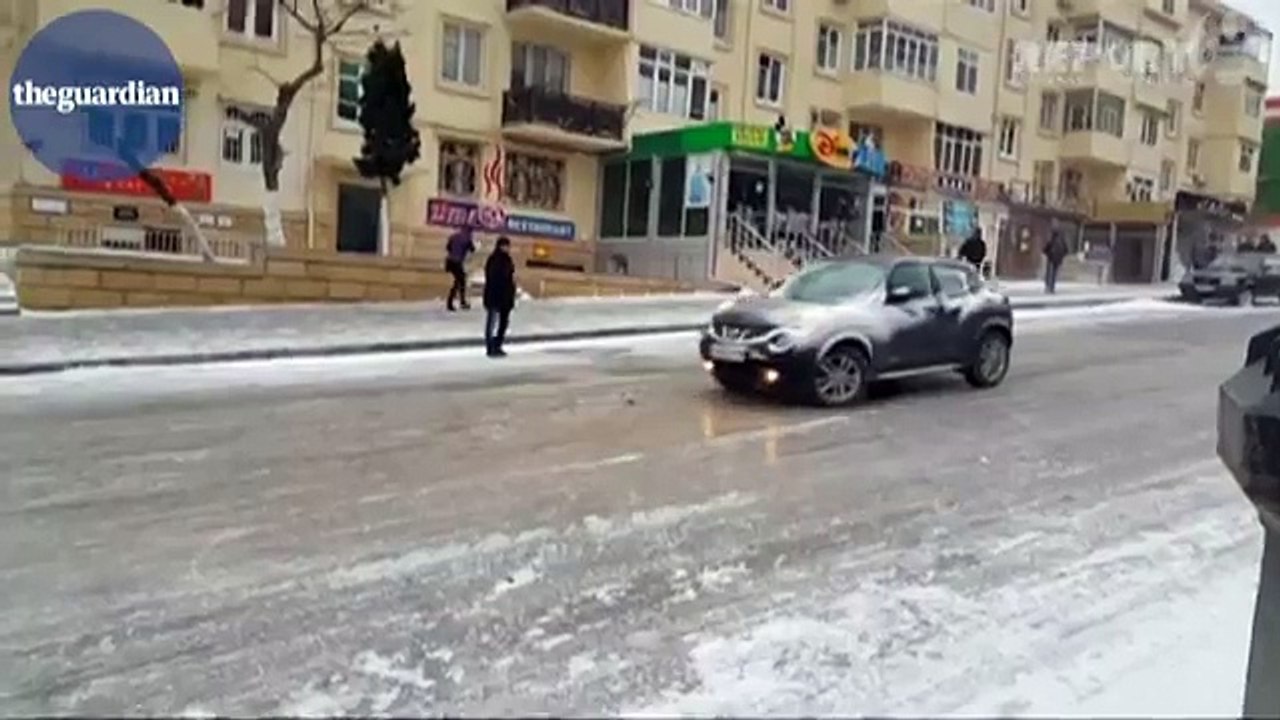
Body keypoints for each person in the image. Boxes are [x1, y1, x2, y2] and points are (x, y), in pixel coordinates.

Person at [483, 236, 517, 358]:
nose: (507, 248)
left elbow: (510, 278)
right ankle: (490, 347)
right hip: (495, 295)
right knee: (492, 322)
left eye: (507, 246)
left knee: (503, 323)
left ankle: (497, 345)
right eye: (504, 246)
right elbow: (493, 278)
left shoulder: (507, 259)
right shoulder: (494, 259)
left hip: (505, 296)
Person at [444, 226, 478, 311]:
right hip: (457, 262)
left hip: (449, 261)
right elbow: (472, 249)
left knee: (459, 281)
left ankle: (456, 302)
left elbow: (448, 248)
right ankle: (457, 302)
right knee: (461, 281)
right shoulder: (467, 239)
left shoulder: (454, 236)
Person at [1043, 222, 1069, 295]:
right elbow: (1066, 250)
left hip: (1051, 258)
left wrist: (1046, 253)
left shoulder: (1052, 239)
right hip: (1057, 259)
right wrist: (1061, 256)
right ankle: (1052, 287)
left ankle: (1048, 287)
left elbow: (1046, 248)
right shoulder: (1062, 240)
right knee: (1054, 274)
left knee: (1049, 273)